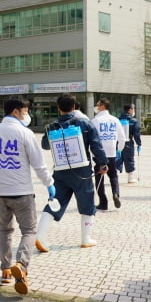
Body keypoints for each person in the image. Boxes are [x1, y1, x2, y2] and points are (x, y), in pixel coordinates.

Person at [0, 96, 54, 295]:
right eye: (25, 111)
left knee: (5, 230)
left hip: (1, 194)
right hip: (22, 193)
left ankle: (5, 270)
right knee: (29, 231)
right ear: (15, 112)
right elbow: (39, 164)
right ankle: (21, 265)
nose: (27, 115)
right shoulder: (24, 133)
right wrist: (49, 184)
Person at [35, 93, 108, 253]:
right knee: (87, 203)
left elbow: (45, 145)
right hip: (81, 171)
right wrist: (103, 163)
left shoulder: (52, 125)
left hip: (61, 171)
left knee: (55, 202)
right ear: (74, 107)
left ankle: (40, 236)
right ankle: (85, 239)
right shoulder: (85, 123)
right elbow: (96, 145)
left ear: (58, 108)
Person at [91, 98, 125, 210]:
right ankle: (116, 194)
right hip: (112, 153)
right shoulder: (115, 120)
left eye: (97, 104)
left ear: (102, 106)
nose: (96, 106)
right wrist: (119, 150)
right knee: (113, 175)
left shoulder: (95, 121)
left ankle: (103, 202)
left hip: (99, 154)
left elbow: (91, 139)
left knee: (99, 177)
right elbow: (122, 138)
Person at [117, 104, 142, 183]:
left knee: (118, 159)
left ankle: (115, 178)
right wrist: (139, 144)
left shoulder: (118, 120)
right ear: (130, 110)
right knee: (129, 159)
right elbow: (136, 134)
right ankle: (130, 178)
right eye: (133, 109)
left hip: (118, 142)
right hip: (128, 143)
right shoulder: (133, 121)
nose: (133, 111)